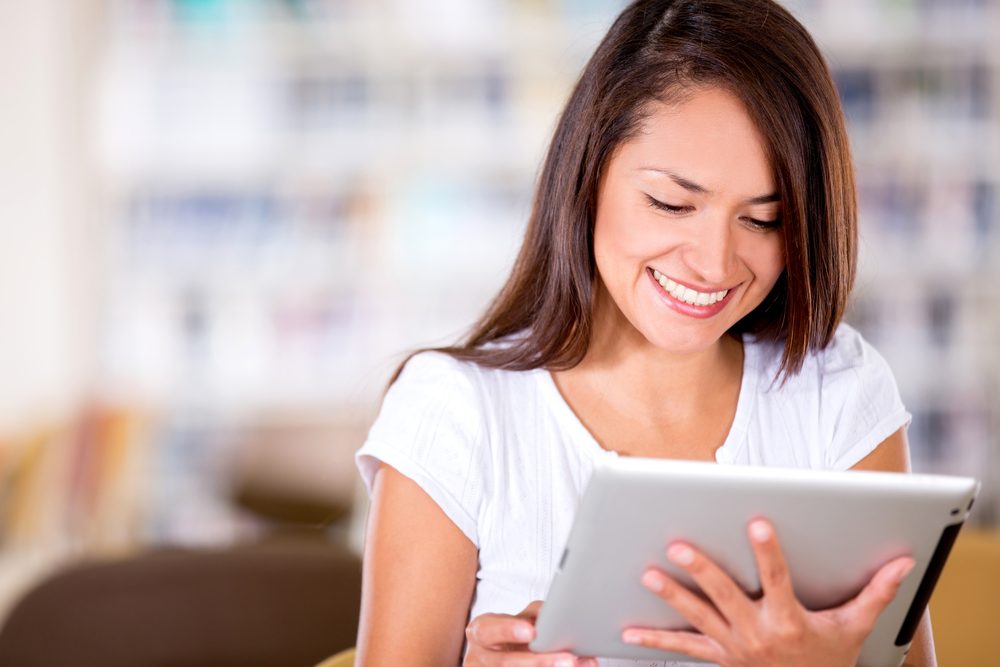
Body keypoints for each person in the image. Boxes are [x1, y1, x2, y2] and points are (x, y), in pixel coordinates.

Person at [354, 1, 937, 665]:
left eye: (764, 220)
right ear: (588, 173)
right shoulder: (454, 413)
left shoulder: (837, 391)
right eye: (671, 203)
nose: (715, 263)